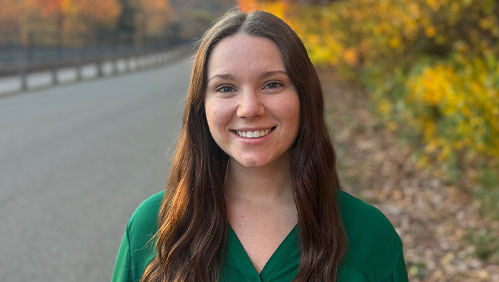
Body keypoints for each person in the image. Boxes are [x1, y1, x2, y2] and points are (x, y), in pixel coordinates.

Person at [111, 8, 408, 282]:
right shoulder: (152, 228)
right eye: (225, 88)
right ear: (202, 107)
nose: (249, 108)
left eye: (272, 84)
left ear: (305, 97)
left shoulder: (370, 235)